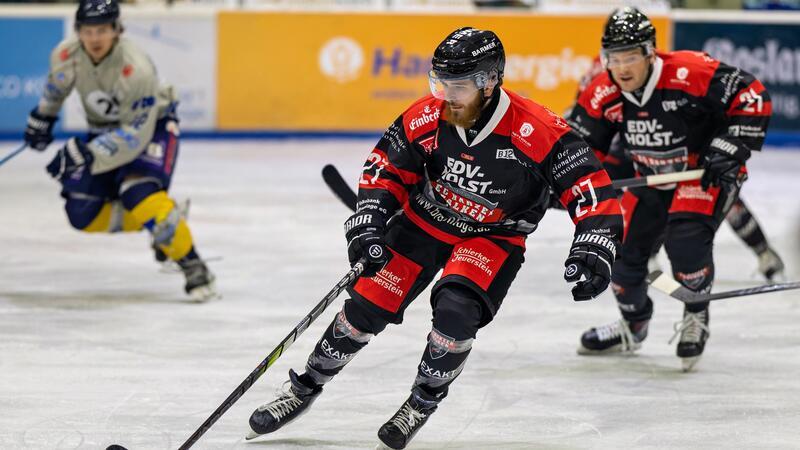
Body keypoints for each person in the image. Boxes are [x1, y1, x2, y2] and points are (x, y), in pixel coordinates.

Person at [246, 27, 623, 449]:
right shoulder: (428, 115)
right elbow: (386, 168)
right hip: (424, 222)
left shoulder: (536, 129)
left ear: (490, 81)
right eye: (440, 83)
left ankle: (422, 402)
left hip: (492, 237)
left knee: (456, 312)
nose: (445, 95)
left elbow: (590, 186)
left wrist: (594, 243)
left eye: (457, 86)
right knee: (366, 306)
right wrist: (370, 216)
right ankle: (304, 387)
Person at [567, 7, 772, 371]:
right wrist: (563, 179)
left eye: (630, 56)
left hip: (701, 176)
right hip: (652, 177)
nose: (622, 67)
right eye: (614, 57)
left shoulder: (689, 71)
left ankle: (696, 314)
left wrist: (730, 145)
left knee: (685, 244)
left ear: (650, 52)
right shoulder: (603, 90)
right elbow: (582, 148)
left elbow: (751, 94)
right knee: (621, 253)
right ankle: (634, 325)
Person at [23, 0, 216, 301]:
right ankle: (166, 218)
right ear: (78, 32)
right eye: (88, 30)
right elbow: (56, 89)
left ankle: (193, 264)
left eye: (102, 30)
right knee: (82, 212)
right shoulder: (65, 54)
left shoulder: (135, 68)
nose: (95, 38)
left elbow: (136, 135)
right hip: (106, 131)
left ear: (116, 30)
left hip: (154, 127)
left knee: (137, 192)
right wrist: (43, 118)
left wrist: (89, 154)